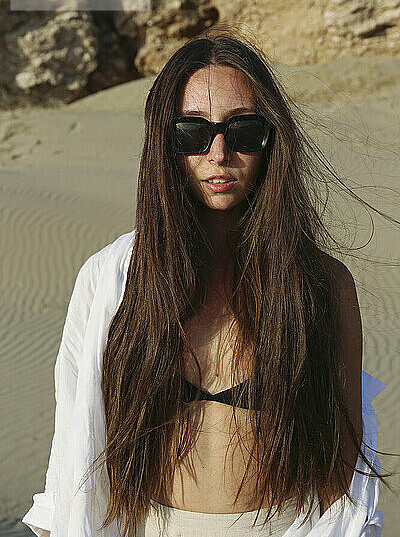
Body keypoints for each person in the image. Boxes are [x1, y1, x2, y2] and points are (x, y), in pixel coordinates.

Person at [22, 26, 391, 537]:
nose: (219, 153)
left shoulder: (322, 285)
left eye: (243, 131)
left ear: (271, 140)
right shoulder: (111, 281)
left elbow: (344, 485)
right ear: (164, 143)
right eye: (192, 132)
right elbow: (72, 453)